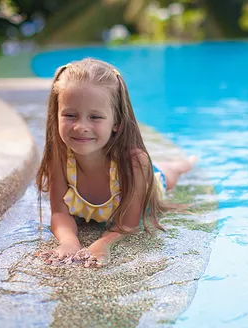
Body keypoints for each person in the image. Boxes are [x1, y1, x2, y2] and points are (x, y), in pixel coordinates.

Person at [35, 58, 196, 268]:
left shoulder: (135, 163)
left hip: (148, 178)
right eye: (70, 115)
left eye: (95, 117)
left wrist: (103, 243)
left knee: (171, 171)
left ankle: (188, 162)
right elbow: (59, 213)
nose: (81, 126)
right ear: (56, 115)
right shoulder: (59, 157)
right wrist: (68, 242)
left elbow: (128, 224)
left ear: (116, 122)